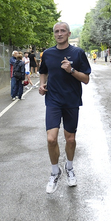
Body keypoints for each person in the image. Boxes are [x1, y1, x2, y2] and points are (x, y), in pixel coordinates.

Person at [39, 21, 91, 194]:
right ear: (54, 34)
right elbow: (43, 71)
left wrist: (71, 70)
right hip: (53, 100)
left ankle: (69, 168)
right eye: (56, 31)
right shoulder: (47, 53)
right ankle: (55, 172)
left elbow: (86, 79)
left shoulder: (78, 53)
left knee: (70, 139)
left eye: (63, 31)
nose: (59, 34)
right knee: (51, 139)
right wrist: (42, 85)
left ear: (68, 34)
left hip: (71, 100)